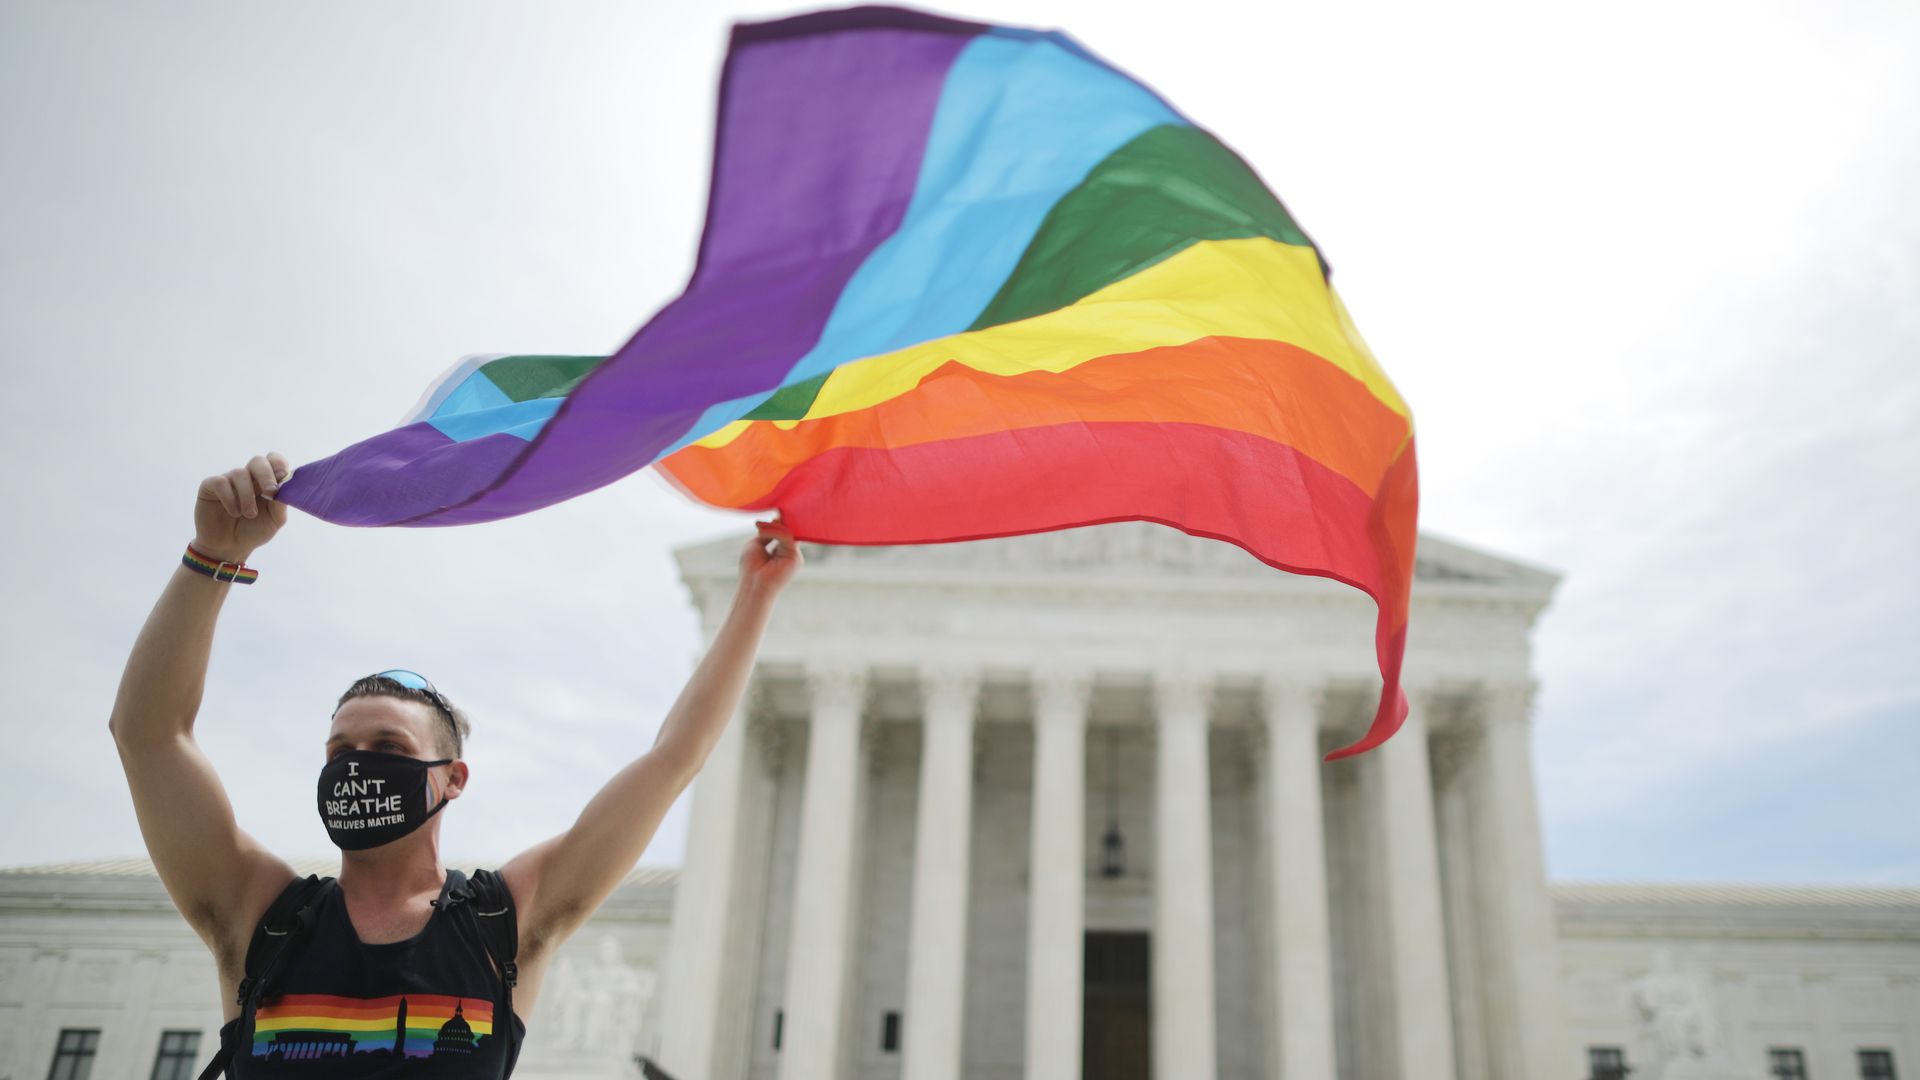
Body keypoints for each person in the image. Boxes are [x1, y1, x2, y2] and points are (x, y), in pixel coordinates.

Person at [110, 452, 799, 1076]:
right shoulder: (259, 916)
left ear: (452, 778)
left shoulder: (505, 925)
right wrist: (212, 557)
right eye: (340, 751)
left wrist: (754, 599)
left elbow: (674, 758)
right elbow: (148, 735)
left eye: (390, 750)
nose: (357, 767)